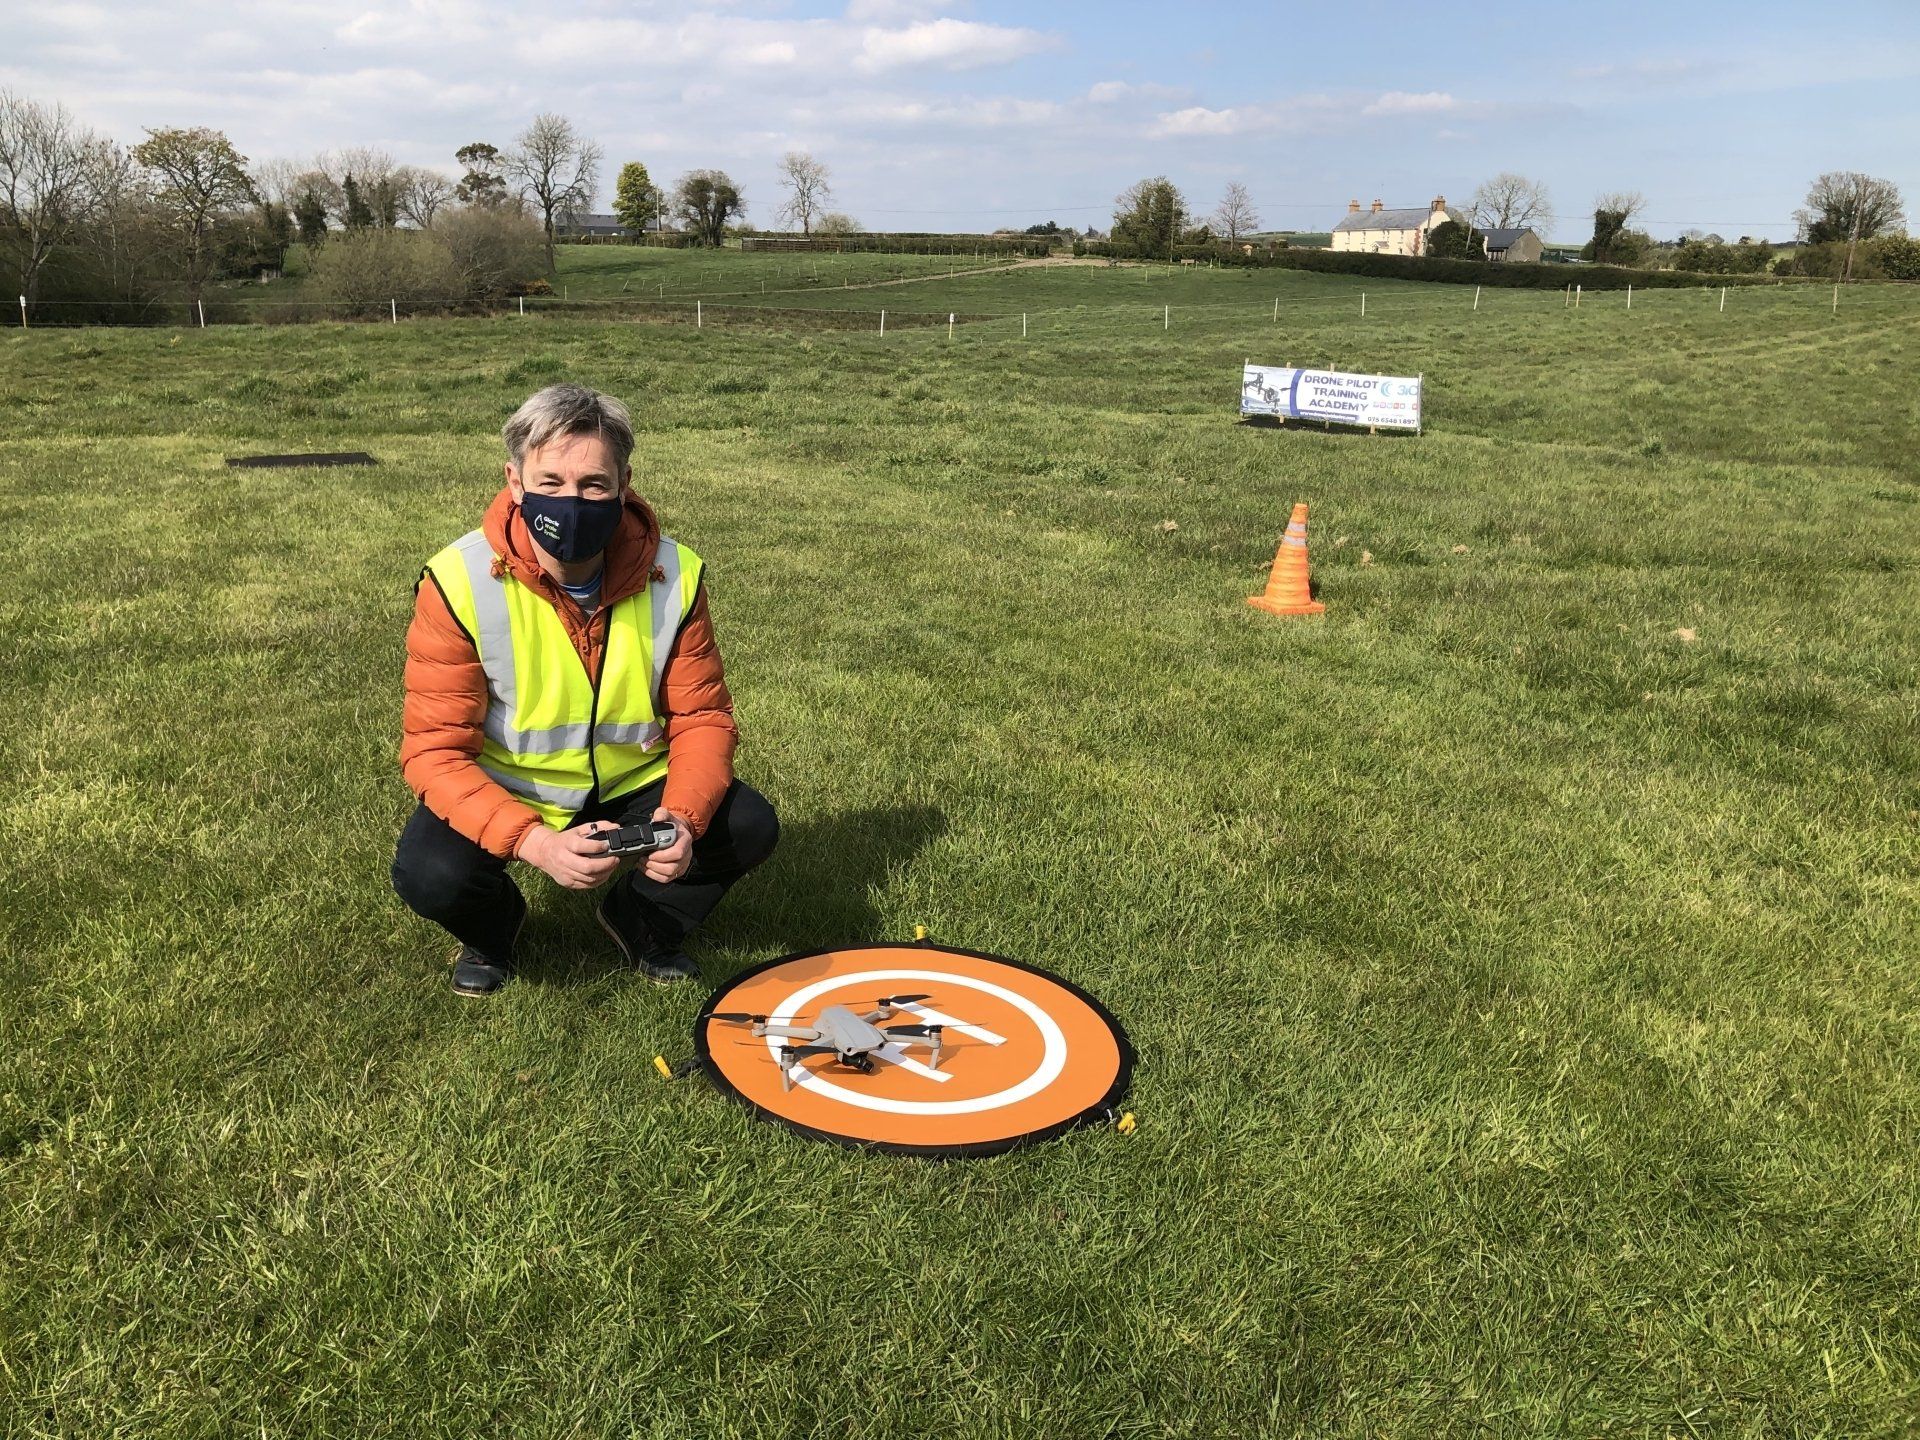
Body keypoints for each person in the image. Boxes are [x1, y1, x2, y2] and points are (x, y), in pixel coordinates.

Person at [391, 382, 778, 996]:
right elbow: (433, 752)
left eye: (593, 485)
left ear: (624, 484)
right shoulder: (457, 580)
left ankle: (643, 920)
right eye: (549, 483)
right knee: (431, 874)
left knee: (748, 823)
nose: (571, 502)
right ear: (514, 481)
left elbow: (702, 717)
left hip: (631, 783)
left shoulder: (675, 574)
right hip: (511, 783)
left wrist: (679, 818)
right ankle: (493, 933)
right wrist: (535, 843)